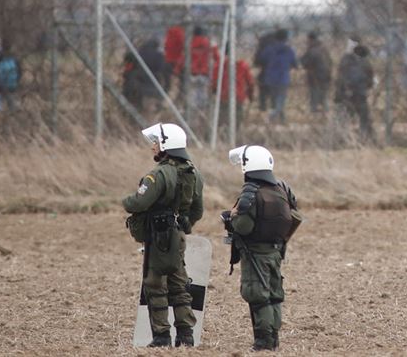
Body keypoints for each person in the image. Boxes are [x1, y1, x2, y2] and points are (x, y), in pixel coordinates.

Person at [122, 122, 205, 347]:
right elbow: (197, 211)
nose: (153, 147)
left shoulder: (158, 174)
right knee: (179, 283)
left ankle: (161, 337)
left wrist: (125, 201)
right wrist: (181, 226)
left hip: (158, 239)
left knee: (155, 284)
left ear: (166, 145)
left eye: (156, 143)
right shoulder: (194, 173)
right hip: (177, 236)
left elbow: (138, 202)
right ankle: (186, 335)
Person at [223, 145, 299, 351]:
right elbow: (295, 216)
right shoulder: (280, 189)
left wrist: (232, 218)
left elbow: (244, 227)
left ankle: (263, 341)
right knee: (274, 294)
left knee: (257, 295)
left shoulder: (251, 193)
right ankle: (273, 338)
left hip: (255, 253)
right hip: (275, 252)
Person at [175, 26, 220, 119]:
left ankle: (192, 119)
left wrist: (177, 70)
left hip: (192, 74)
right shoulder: (209, 43)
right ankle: (202, 118)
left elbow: (182, 59)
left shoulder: (190, 43)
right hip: (205, 74)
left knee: (192, 100)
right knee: (203, 99)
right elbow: (217, 58)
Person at [256, 29, 298, 123]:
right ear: (286, 38)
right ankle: (277, 117)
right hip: (283, 77)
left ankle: (276, 116)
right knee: (281, 98)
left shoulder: (269, 49)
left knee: (274, 99)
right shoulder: (289, 49)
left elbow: (261, 59)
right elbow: (295, 63)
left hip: (270, 77)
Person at [335, 42, 374, 139]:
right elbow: (370, 83)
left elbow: (340, 79)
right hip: (360, 95)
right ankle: (364, 137)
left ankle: (340, 137)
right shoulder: (367, 65)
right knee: (364, 118)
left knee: (343, 118)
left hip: (346, 95)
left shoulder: (346, 62)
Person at [212, 43, 256, 129]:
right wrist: (250, 95)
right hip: (238, 95)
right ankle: (234, 131)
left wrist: (215, 91)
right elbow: (250, 82)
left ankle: (222, 131)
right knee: (237, 117)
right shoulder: (242, 65)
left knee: (222, 116)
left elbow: (215, 80)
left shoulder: (220, 65)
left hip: (224, 95)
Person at [122, 38, 169, 113]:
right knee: (151, 106)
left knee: (139, 105)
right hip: (153, 84)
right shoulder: (159, 56)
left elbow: (129, 65)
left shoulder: (138, 53)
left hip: (139, 82)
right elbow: (162, 69)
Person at [299, 31, 333, 114]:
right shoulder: (324, 49)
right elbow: (331, 62)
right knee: (323, 98)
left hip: (314, 78)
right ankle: (326, 114)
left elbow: (304, 63)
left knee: (313, 98)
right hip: (326, 77)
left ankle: (314, 115)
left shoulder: (311, 50)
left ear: (310, 39)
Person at [0, 38, 21, 113]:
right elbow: (19, 70)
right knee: (11, 94)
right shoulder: (14, 56)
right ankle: (12, 107)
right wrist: (18, 80)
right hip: (12, 82)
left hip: (1, 82)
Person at [163, 26, 185, 93]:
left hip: (168, 61)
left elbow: (166, 47)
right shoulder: (181, 33)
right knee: (181, 83)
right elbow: (183, 46)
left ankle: (167, 94)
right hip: (178, 62)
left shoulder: (169, 34)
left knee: (169, 84)